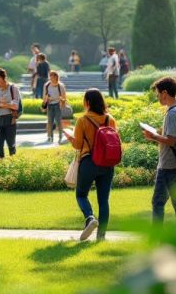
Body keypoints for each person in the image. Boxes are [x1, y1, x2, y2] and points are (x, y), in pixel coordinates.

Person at [62, 89, 118, 241]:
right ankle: (101, 236)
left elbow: (78, 145)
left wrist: (69, 137)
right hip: (107, 163)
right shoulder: (110, 119)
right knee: (104, 200)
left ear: (87, 102)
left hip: (89, 162)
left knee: (81, 194)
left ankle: (90, 217)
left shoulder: (82, 120)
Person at [143, 76, 176, 228]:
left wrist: (153, 136)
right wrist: (156, 134)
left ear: (164, 93)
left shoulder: (172, 113)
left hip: (168, 164)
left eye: (157, 94)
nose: (157, 98)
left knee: (158, 202)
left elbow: (172, 140)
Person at [0, 68, 21, 156]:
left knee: (11, 144)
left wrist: (0, 104)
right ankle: (1, 164)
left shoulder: (13, 88)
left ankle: (13, 164)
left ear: (4, 77)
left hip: (10, 119)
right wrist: (1, 104)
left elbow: (15, 106)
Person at [42, 70, 67, 144]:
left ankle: (60, 136)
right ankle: (50, 137)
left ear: (56, 77)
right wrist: (47, 99)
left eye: (53, 77)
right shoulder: (46, 85)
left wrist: (60, 100)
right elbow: (44, 97)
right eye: (50, 77)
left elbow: (64, 98)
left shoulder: (60, 86)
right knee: (50, 122)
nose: (51, 79)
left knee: (58, 122)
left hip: (57, 105)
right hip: (49, 105)